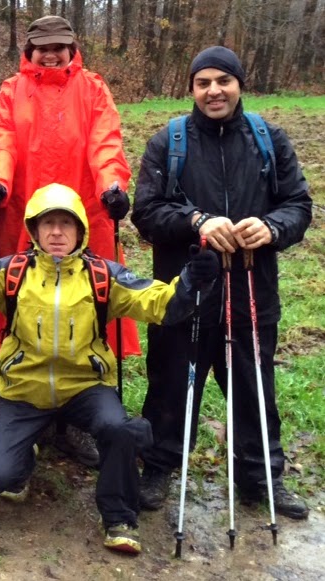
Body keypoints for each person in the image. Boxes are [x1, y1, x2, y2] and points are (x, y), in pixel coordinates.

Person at [0, 183, 219, 554]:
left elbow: (161, 305)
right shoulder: (11, 272)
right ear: (34, 229)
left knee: (119, 429)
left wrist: (192, 280)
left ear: (80, 231)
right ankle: (24, 457)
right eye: (48, 224)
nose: (56, 232)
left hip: (86, 388)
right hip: (24, 391)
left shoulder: (103, 274)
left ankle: (119, 517)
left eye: (65, 224)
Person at [131, 46, 312, 519]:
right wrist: (197, 222)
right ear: (191, 89)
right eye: (203, 83)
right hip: (184, 293)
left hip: (253, 292)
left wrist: (271, 229)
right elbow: (146, 213)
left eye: (223, 81)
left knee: (254, 389)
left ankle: (260, 477)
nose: (214, 91)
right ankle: (159, 465)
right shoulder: (167, 143)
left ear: (239, 85)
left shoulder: (268, 140)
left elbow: (299, 205)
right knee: (170, 386)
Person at [0, 14, 139, 466]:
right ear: (30, 51)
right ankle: (23, 405)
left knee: (85, 310)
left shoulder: (93, 89)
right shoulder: (10, 91)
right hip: (24, 220)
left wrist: (111, 187)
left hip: (84, 219)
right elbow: (0, 140)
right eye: (43, 47)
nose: (52, 53)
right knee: (23, 304)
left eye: (60, 46)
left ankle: (74, 418)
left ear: (71, 47)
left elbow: (106, 143)